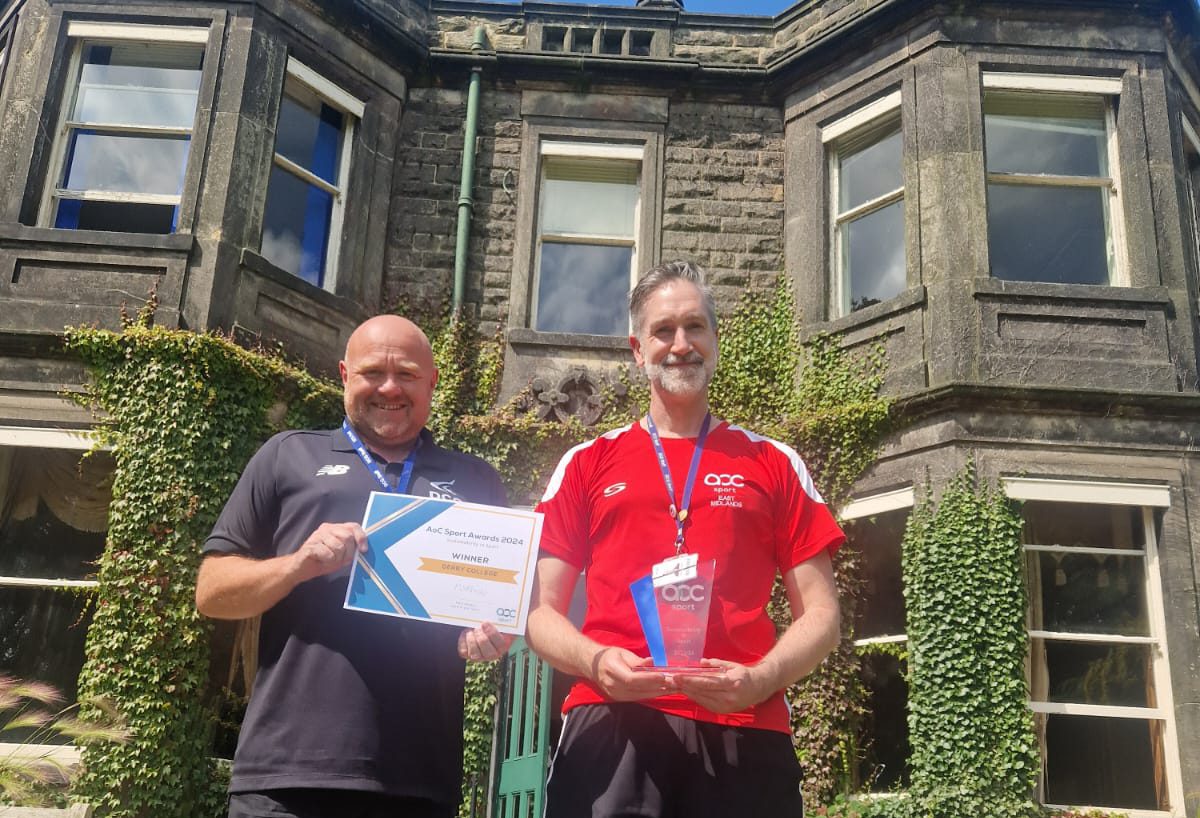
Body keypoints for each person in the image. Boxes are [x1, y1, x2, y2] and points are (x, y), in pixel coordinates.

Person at [525, 261, 844, 818]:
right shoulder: (585, 464)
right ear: (636, 348)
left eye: (695, 327)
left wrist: (763, 677)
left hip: (745, 721)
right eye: (664, 330)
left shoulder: (772, 462)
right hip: (610, 718)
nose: (681, 344)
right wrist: (594, 659)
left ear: (715, 340)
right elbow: (539, 615)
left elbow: (822, 616)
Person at [196, 315, 513, 818]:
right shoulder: (288, 455)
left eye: (406, 373)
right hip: (286, 778)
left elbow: (495, 608)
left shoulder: (476, 480)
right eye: (372, 372)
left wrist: (489, 637)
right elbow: (212, 592)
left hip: (419, 782)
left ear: (432, 381)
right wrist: (298, 564)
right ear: (344, 375)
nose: (389, 387)